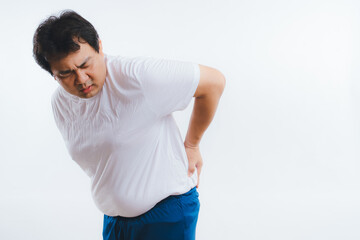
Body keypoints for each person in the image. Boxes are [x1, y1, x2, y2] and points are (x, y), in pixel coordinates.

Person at [33, 10, 225, 240]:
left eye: (85, 64)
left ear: (100, 48)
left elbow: (214, 82)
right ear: (53, 75)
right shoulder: (61, 104)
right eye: (66, 73)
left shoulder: (139, 77)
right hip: (115, 221)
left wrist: (192, 144)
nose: (81, 79)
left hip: (166, 215)